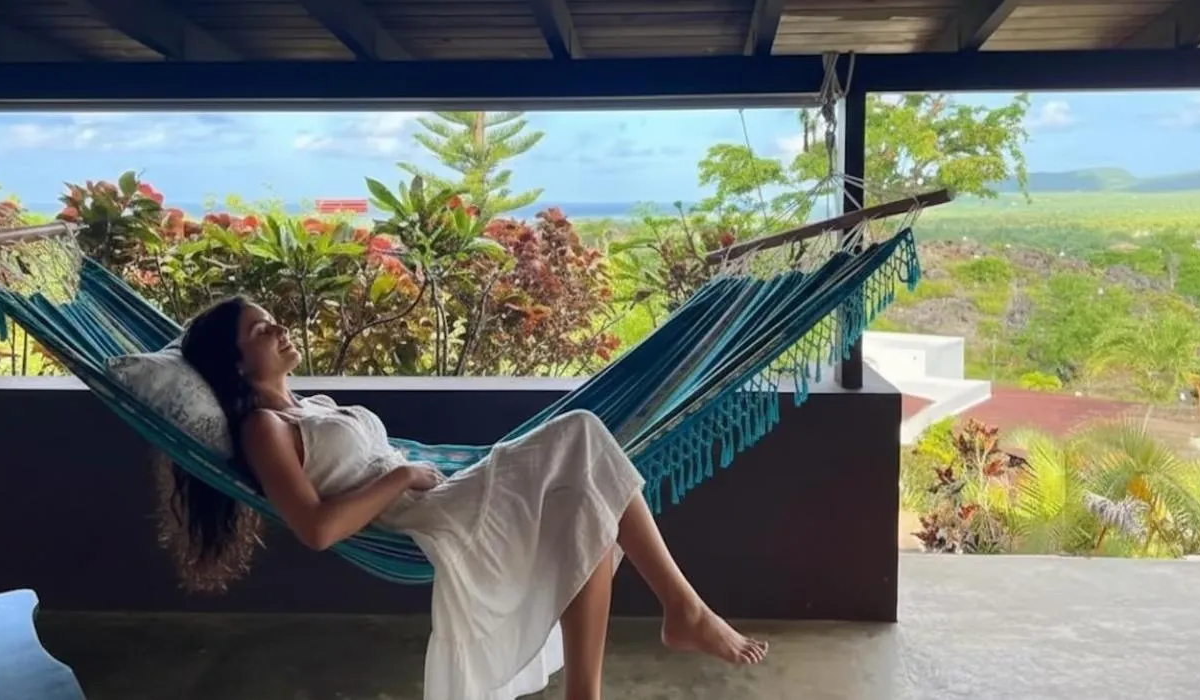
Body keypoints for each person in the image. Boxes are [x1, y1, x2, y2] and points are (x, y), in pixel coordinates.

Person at [159, 295, 767, 700]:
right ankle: (684, 613)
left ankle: (590, 689)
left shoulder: (306, 406)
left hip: (438, 490)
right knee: (581, 432)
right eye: (260, 330)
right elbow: (316, 529)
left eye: (271, 319)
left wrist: (415, 471)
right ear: (237, 365)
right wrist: (401, 478)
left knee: (586, 497)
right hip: (424, 511)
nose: (279, 328)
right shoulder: (266, 427)